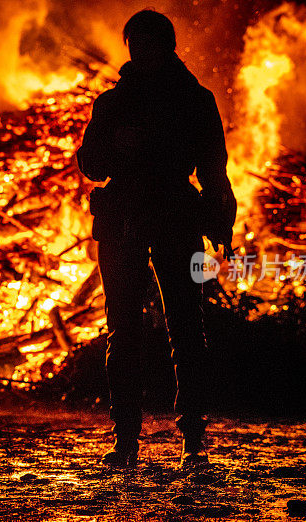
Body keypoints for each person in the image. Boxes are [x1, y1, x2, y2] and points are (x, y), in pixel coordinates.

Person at [76, 9, 236, 468]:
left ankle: (193, 443)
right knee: (123, 331)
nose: (141, 51)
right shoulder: (111, 103)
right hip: (123, 221)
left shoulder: (195, 100)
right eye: (136, 43)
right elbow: (91, 165)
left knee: (186, 326)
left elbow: (213, 168)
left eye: (150, 43)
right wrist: (113, 144)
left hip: (174, 218)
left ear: (167, 46)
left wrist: (220, 216)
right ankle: (125, 440)